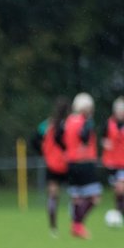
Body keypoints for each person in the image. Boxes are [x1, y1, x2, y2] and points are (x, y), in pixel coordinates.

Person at [63, 92, 100, 239]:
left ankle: (76, 223)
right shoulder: (84, 121)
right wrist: (89, 124)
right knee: (94, 197)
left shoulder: (68, 120)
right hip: (84, 162)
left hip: (71, 163)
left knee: (77, 197)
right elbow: (84, 137)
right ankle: (77, 224)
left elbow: (61, 137)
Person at [35, 98, 70, 235]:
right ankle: (77, 223)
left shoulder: (47, 124)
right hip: (68, 164)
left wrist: (44, 153)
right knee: (76, 193)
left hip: (53, 164)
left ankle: (53, 228)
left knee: (53, 195)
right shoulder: (70, 124)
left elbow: (34, 140)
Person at [101, 97, 124, 221]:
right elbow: (103, 138)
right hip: (111, 162)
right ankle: (119, 211)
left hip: (123, 162)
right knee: (117, 190)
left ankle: (118, 212)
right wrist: (105, 143)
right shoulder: (108, 123)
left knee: (121, 188)